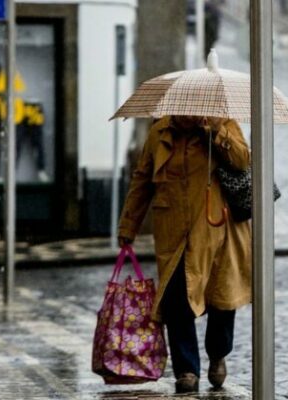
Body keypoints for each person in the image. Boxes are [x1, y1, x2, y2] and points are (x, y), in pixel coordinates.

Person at [117, 115, 252, 393]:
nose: (187, 115)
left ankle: (218, 354)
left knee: (221, 300)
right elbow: (142, 180)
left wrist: (216, 133)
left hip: (217, 230)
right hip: (174, 232)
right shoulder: (159, 133)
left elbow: (242, 160)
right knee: (176, 301)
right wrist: (128, 225)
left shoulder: (222, 124)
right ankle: (187, 370)